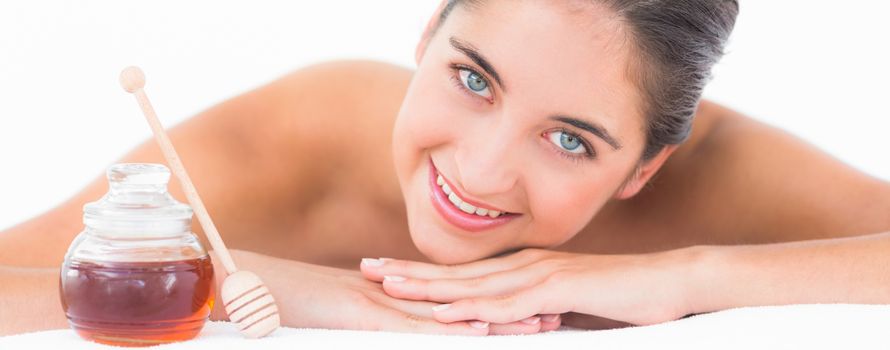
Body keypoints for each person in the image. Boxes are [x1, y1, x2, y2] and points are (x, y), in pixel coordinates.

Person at [2, 0, 889, 336]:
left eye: (571, 139)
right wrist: (258, 283)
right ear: (427, 33)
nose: (482, 172)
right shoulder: (293, 143)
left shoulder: (716, 177)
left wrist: (686, 277)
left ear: (646, 169)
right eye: (473, 79)